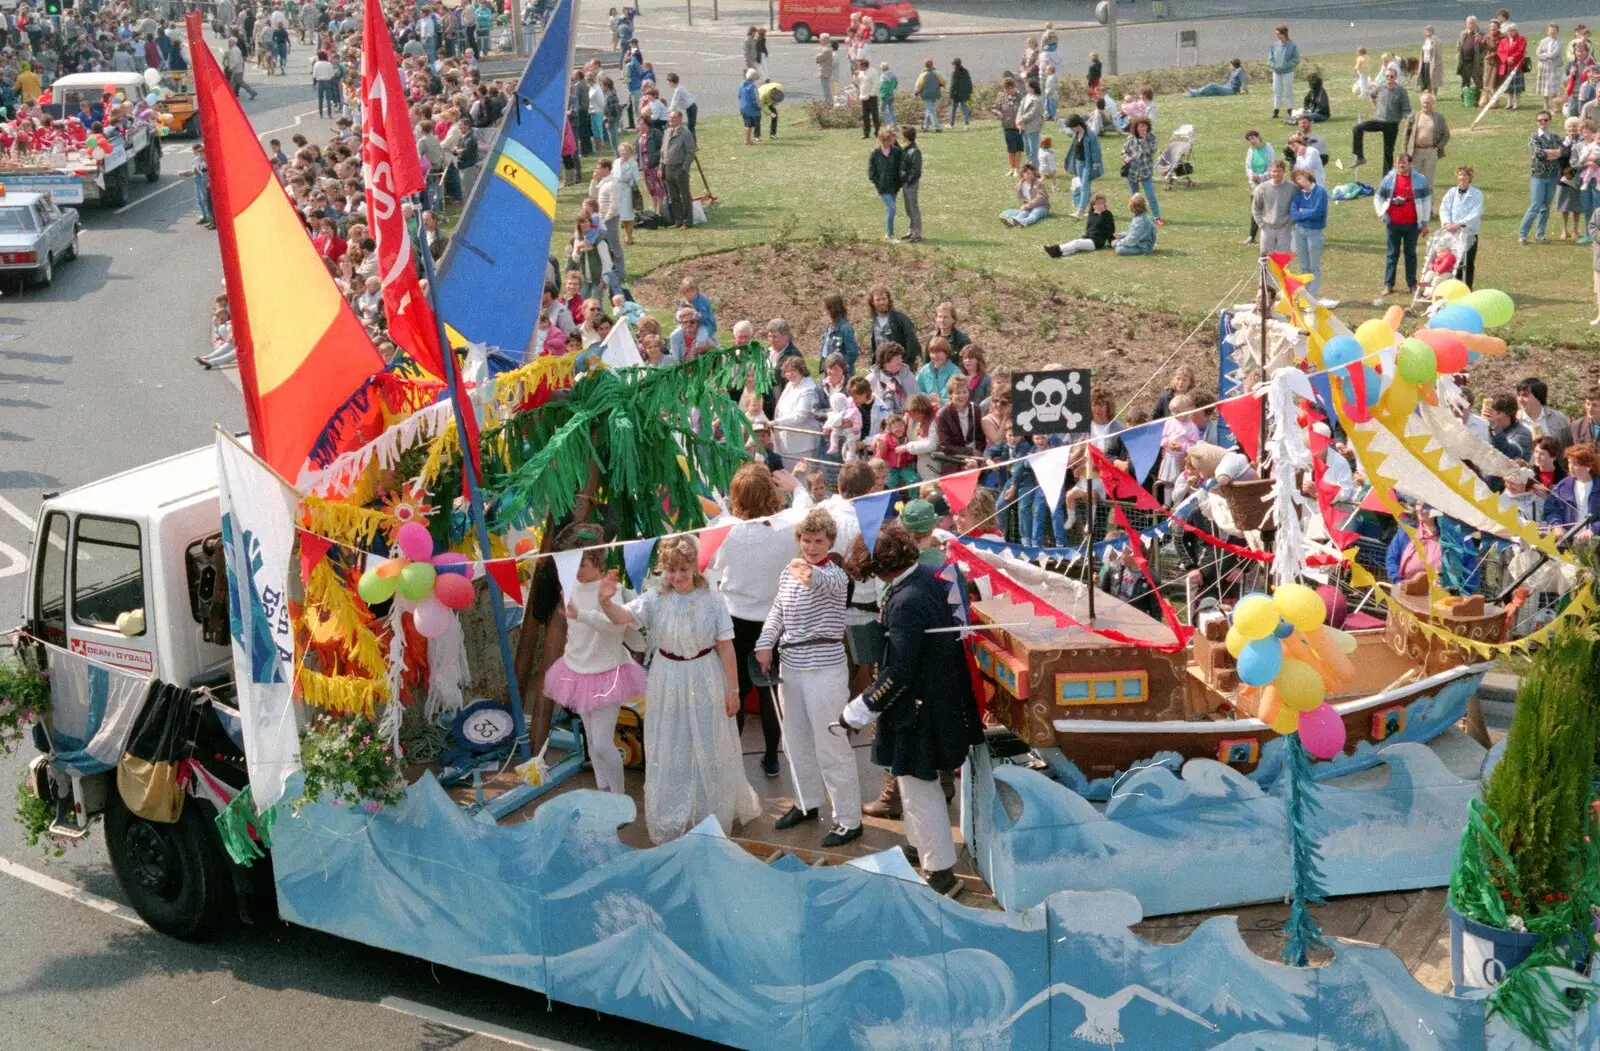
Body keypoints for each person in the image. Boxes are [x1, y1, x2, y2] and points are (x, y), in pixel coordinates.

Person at [838, 523, 984, 898]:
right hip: (938, 697)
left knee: (920, 787)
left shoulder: (906, 601)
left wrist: (859, 709)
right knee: (909, 780)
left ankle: (939, 871)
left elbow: (899, 671)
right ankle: (920, 846)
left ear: (880, 567)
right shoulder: (928, 577)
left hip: (920, 707)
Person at [598, 538, 761, 845]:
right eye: (671, 570)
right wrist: (606, 602)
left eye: (683, 569)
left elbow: (726, 647)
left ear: (694, 567)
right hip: (667, 676)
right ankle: (674, 809)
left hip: (704, 674)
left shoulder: (712, 600)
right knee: (671, 741)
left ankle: (711, 809)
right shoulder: (654, 598)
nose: (677, 576)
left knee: (709, 739)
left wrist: (733, 689)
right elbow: (623, 617)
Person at [754, 509, 863, 846]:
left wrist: (811, 574)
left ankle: (848, 819)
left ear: (829, 543)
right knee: (795, 741)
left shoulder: (835, 574)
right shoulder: (789, 572)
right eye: (807, 540)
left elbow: (831, 584)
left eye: (819, 541)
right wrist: (764, 643)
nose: (812, 546)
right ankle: (806, 802)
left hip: (825, 668)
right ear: (799, 540)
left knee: (830, 744)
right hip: (791, 667)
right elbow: (777, 611)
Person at [711, 463, 800, 782]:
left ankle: (734, 759)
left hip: (734, 618)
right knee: (769, 690)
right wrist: (798, 487)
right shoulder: (788, 526)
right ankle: (772, 757)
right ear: (771, 493)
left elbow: (715, 566)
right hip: (773, 620)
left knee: (735, 687)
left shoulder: (725, 528)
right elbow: (806, 512)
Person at [543, 526, 646, 797]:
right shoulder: (571, 587)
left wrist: (581, 615)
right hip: (576, 669)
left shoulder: (613, 590)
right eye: (573, 563)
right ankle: (603, 792)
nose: (577, 570)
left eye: (584, 563)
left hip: (608, 672)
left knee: (602, 743)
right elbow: (576, 632)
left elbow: (617, 628)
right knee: (591, 740)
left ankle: (620, 797)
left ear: (598, 561)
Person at [1377, 152, 1431, 295]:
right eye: (1398, 163)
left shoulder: (1420, 180)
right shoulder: (1388, 179)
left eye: (1404, 163)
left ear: (1410, 164)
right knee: (1392, 254)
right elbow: (1378, 197)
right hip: (1393, 223)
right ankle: (1388, 285)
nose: (1401, 166)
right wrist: (1383, 214)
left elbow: (1426, 202)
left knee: (1410, 254)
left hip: (1413, 224)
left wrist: (1424, 223)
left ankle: (1412, 284)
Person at [1352, 66, 1411, 173]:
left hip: (1392, 124)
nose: (1389, 78)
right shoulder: (1381, 87)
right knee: (1357, 128)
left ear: (1395, 77)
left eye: (1391, 76)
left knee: (1388, 152)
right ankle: (1360, 157)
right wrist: (1375, 104)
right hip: (1378, 121)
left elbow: (1406, 108)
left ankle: (1386, 178)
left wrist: (1405, 118)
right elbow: (1372, 95)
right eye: (1387, 76)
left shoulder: (1401, 91)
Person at [1402, 93, 1450, 219]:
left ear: (1433, 104)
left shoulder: (1439, 118)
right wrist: (1405, 153)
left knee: (1428, 182)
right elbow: (1406, 135)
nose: (1425, 105)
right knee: (1413, 182)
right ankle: (1412, 209)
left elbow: (1446, 135)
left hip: (1430, 152)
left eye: (1428, 103)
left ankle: (1428, 210)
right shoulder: (1413, 117)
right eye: (1423, 102)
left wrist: (1437, 147)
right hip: (1415, 152)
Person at [1520, 110, 1565, 243]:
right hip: (1538, 176)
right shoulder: (1534, 137)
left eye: (1545, 120)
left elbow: (1563, 152)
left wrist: (1550, 153)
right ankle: (1523, 234)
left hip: (1552, 176)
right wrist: (1554, 153)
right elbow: (1538, 154)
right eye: (1540, 120)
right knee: (1535, 205)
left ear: (1550, 121)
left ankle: (1540, 234)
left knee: (1546, 206)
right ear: (1537, 122)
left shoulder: (1556, 137)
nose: (1543, 122)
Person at [773, 356, 822, 470]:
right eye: (786, 372)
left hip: (802, 445)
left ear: (801, 370)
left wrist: (776, 422)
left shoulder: (808, 389)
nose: (789, 374)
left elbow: (799, 416)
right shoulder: (790, 384)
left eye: (793, 371)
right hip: (787, 443)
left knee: (802, 481)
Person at [1439, 164, 1484, 287]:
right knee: (1454, 262)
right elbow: (1444, 209)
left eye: (1465, 175)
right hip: (1452, 235)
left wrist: (1460, 224)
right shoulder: (1452, 193)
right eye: (1460, 175)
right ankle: (1455, 288)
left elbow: (1476, 212)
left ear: (1470, 177)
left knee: (1468, 263)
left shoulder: (1477, 194)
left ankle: (1467, 289)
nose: (1462, 177)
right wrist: (1447, 223)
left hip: (1469, 233)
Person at [1289, 167, 1328, 296]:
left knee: (1314, 266)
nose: (1298, 182)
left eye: (1299, 178)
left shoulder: (1320, 192)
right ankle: (1305, 294)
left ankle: (1313, 295)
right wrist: (1306, 213)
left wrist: (1303, 212)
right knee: (1303, 265)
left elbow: (1318, 212)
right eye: (1296, 180)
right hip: (1300, 231)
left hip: (1314, 232)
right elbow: (1294, 213)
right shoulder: (1298, 194)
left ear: (1307, 177)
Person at [1044, 191, 1115, 257]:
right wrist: (1086, 236)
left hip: (1098, 242)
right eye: (1098, 204)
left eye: (1102, 203)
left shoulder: (1107, 214)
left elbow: (1111, 229)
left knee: (1076, 243)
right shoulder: (1091, 214)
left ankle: (1055, 249)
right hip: (1090, 238)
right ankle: (1058, 254)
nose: (1101, 205)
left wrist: (1112, 241)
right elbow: (1089, 227)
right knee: (1076, 247)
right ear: (1093, 205)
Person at [1544, 443, 1600, 527]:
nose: (1571, 467)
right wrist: (1556, 525)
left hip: (1595, 538)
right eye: (1569, 462)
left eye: (1575, 464)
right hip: (1569, 537)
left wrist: (1593, 530)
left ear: (1588, 466)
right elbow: (1551, 509)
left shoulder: (1597, 486)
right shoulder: (1563, 486)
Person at [866, 286, 921, 366]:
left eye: (884, 299)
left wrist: (904, 364)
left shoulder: (900, 319)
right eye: (878, 300)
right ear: (872, 302)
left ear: (888, 300)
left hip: (900, 367)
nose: (882, 302)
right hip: (882, 367)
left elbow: (912, 344)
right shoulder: (874, 322)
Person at [1517, 377, 1575, 451]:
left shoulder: (1559, 419)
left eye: (1525, 395)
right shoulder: (1513, 420)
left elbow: (1568, 448)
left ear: (1538, 396)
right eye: (1518, 395)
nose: (1520, 399)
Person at [1062, 114, 1104, 218]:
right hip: (1078, 163)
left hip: (1087, 164)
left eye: (1072, 127)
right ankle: (1092, 209)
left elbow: (1096, 151)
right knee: (1085, 187)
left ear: (1078, 125)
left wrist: (1095, 165)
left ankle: (1080, 211)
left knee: (1085, 187)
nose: (1071, 129)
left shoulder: (1090, 135)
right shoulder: (1075, 134)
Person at [1122, 116, 1161, 225]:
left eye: (1145, 126)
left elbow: (1152, 151)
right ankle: (1138, 217)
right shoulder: (1131, 138)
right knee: (1135, 196)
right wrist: (1126, 158)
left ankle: (1157, 217)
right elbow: (1124, 151)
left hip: (1145, 171)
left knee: (1150, 195)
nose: (1143, 128)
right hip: (1133, 172)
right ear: (1136, 127)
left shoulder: (1151, 137)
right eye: (1141, 126)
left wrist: (1144, 141)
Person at [1252, 158, 1294, 256]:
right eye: (1274, 171)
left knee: (1283, 260)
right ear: (1270, 172)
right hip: (1267, 228)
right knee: (1265, 259)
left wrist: (1290, 223)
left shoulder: (1292, 188)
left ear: (1284, 172)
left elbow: (1296, 207)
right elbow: (1256, 208)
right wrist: (1261, 224)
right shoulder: (1262, 188)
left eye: (1279, 171)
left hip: (1284, 228)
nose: (1276, 174)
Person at [661, 109, 696, 229]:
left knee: (685, 195)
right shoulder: (667, 132)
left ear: (680, 119)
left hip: (679, 168)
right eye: (670, 118)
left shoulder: (685, 133)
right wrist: (662, 168)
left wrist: (684, 168)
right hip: (668, 168)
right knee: (673, 196)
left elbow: (690, 152)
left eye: (674, 118)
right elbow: (663, 152)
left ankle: (688, 221)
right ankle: (678, 220)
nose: (671, 120)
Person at [868, 126, 903, 240]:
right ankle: (890, 234)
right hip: (883, 187)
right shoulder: (875, 153)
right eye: (884, 141)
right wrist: (878, 183)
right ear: (880, 140)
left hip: (894, 186)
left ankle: (889, 233)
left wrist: (900, 182)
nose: (886, 143)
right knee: (892, 208)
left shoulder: (897, 152)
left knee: (890, 209)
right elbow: (872, 172)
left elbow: (901, 168)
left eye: (888, 141)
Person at [820, 294, 862, 374]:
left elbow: (852, 353)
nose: (823, 309)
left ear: (832, 308)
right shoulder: (829, 326)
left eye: (825, 307)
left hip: (841, 372)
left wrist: (840, 367)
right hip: (829, 368)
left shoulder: (845, 328)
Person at [1268, 23, 1302, 120]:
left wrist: (1287, 65)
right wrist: (1273, 65)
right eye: (1276, 34)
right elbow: (1270, 58)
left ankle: (1290, 110)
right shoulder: (1274, 45)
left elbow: (1296, 59)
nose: (1277, 36)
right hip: (1276, 72)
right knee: (1277, 91)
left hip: (1288, 72)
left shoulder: (1292, 45)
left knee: (1288, 91)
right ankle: (1276, 110)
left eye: (1278, 34)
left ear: (1284, 34)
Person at [993, 76, 1023, 177]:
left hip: (1019, 127)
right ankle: (1011, 168)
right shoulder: (1002, 97)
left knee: (1018, 149)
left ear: (1011, 87)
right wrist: (998, 112)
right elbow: (993, 108)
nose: (1005, 91)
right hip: (1007, 126)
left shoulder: (1020, 97)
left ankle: (1017, 169)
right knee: (1011, 150)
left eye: (1006, 88)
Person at [900, 126, 924, 243]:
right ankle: (911, 230)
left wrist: (908, 181)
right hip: (906, 183)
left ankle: (917, 234)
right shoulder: (908, 148)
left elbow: (916, 170)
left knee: (913, 208)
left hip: (911, 184)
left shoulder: (915, 151)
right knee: (908, 208)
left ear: (906, 137)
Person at [1499, 23, 1529, 109]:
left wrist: (1512, 58)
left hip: (1516, 66)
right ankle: (1509, 102)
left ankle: (1517, 102)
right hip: (1506, 66)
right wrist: (1506, 59)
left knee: (1517, 85)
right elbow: (1500, 52)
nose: (1510, 32)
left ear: (1516, 31)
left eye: (1512, 30)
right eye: (1508, 31)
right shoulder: (1503, 41)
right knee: (1508, 85)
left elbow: (1521, 51)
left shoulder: (1521, 39)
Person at [1017, 76, 1044, 166]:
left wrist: (1021, 119)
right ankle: (1031, 167)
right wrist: (1017, 120)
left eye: (1027, 87)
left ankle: (1035, 169)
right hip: (1024, 127)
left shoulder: (1037, 99)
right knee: (1028, 149)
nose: (1026, 88)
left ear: (1032, 88)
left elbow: (1032, 113)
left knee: (1033, 150)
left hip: (1033, 127)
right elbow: (1020, 109)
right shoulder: (1026, 97)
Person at [1539, 23, 1566, 110]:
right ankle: (1546, 104)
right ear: (1548, 31)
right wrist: (1545, 56)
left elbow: (1555, 54)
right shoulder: (1543, 41)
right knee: (1545, 86)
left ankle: (1555, 105)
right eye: (1550, 30)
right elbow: (1538, 53)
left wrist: (1545, 55)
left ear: (1557, 32)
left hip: (1554, 66)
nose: (1552, 32)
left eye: (1554, 30)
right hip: (1544, 66)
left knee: (1554, 86)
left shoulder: (1559, 41)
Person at [915, 57, 945, 131]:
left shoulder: (923, 74)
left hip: (926, 94)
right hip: (935, 93)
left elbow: (919, 84)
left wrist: (917, 91)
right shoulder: (937, 73)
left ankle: (937, 127)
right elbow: (943, 82)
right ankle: (926, 127)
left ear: (925, 65)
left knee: (931, 110)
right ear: (932, 64)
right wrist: (940, 85)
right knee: (929, 109)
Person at [857, 59, 881, 138]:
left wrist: (872, 94)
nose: (858, 67)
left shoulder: (872, 72)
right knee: (865, 116)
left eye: (860, 65)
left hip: (871, 97)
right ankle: (866, 133)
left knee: (875, 116)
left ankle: (877, 132)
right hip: (864, 97)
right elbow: (859, 83)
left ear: (864, 65)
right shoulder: (861, 73)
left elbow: (876, 83)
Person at [947, 56, 973, 129]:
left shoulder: (954, 73)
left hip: (956, 94)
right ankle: (966, 124)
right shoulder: (965, 71)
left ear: (955, 65)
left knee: (953, 109)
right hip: (964, 93)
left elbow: (953, 84)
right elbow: (969, 82)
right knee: (964, 107)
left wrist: (951, 94)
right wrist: (970, 91)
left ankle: (951, 124)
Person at [739, 68, 761, 147]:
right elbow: (755, 98)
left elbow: (739, 96)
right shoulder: (753, 87)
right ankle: (747, 140)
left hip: (743, 107)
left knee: (746, 124)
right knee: (749, 125)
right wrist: (759, 107)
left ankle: (747, 140)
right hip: (751, 108)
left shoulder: (742, 85)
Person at [816, 35, 836, 106]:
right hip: (825, 70)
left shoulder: (826, 50)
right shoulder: (826, 48)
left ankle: (829, 104)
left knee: (826, 89)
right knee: (826, 88)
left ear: (825, 40)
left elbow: (818, 58)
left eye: (821, 39)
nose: (819, 41)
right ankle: (828, 103)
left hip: (825, 71)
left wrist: (819, 49)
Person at [878, 61, 899, 129]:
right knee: (891, 110)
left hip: (885, 95)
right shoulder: (892, 74)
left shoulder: (883, 76)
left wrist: (880, 93)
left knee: (882, 110)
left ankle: (889, 123)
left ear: (882, 68)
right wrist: (892, 88)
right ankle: (895, 124)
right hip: (891, 94)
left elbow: (882, 86)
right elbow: (896, 83)